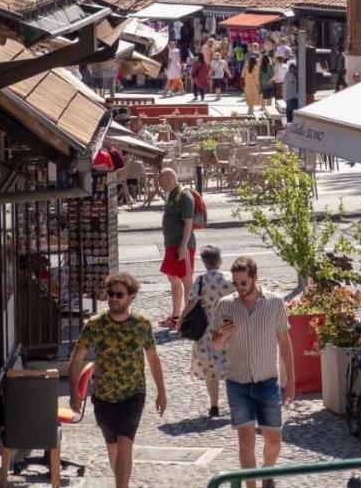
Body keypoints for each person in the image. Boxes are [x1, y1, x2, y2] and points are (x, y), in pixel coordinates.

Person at [69, 272, 166, 488]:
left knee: (125, 445)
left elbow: (152, 358)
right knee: (112, 447)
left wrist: (162, 391)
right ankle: (122, 482)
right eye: (110, 294)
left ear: (131, 296)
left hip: (133, 394)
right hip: (103, 396)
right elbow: (76, 359)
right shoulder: (95, 324)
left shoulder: (141, 324)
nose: (113, 298)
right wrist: (75, 392)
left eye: (119, 295)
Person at [210, 257, 294, 488]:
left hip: (267, 381)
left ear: (255, 277)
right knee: (245, 441)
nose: (239, 287)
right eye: (236, 283)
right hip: (238, 383)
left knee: (273, 440)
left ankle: (268, 473)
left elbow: (285, 344)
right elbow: (215, 344)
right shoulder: (226, 305)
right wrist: (223, 335)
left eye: (243, 282)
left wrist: (292, 381)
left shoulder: (275, 303)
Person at [186, 245, 236, 417]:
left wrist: (180, 320)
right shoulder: (229, 279)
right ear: (220, 260)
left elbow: (192, 302)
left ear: (204, 262)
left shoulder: (200, 280)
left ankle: (214, 405)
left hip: (206, 327)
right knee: (231, 366)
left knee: (210, 369)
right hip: (227, 326)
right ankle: (235, 403)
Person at [158, 168, 196, 327]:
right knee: (172, 278)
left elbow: (189, 223)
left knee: (186, 281)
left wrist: (183, 247)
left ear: (169, 180)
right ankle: (175, 317)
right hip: (171, 245)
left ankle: (188, 319)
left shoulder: (185, 196)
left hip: (182, 246)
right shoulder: (171, 195)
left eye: (162, 183)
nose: (161, 186)